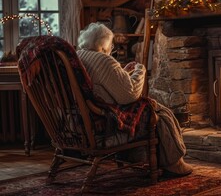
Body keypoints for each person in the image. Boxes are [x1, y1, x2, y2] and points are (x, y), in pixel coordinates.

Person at [77, 22, 193, 176]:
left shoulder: (79, 55)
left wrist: (122, 73)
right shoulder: (103, 60)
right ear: (104, 45)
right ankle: (174, 163)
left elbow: (104, 83)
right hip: (106, 122)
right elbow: (129, 96)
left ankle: (151, 160)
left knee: (157, 109)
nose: (111, 50)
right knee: (160, 113)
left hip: (78, 122)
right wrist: (140, 70)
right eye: (111, 46)